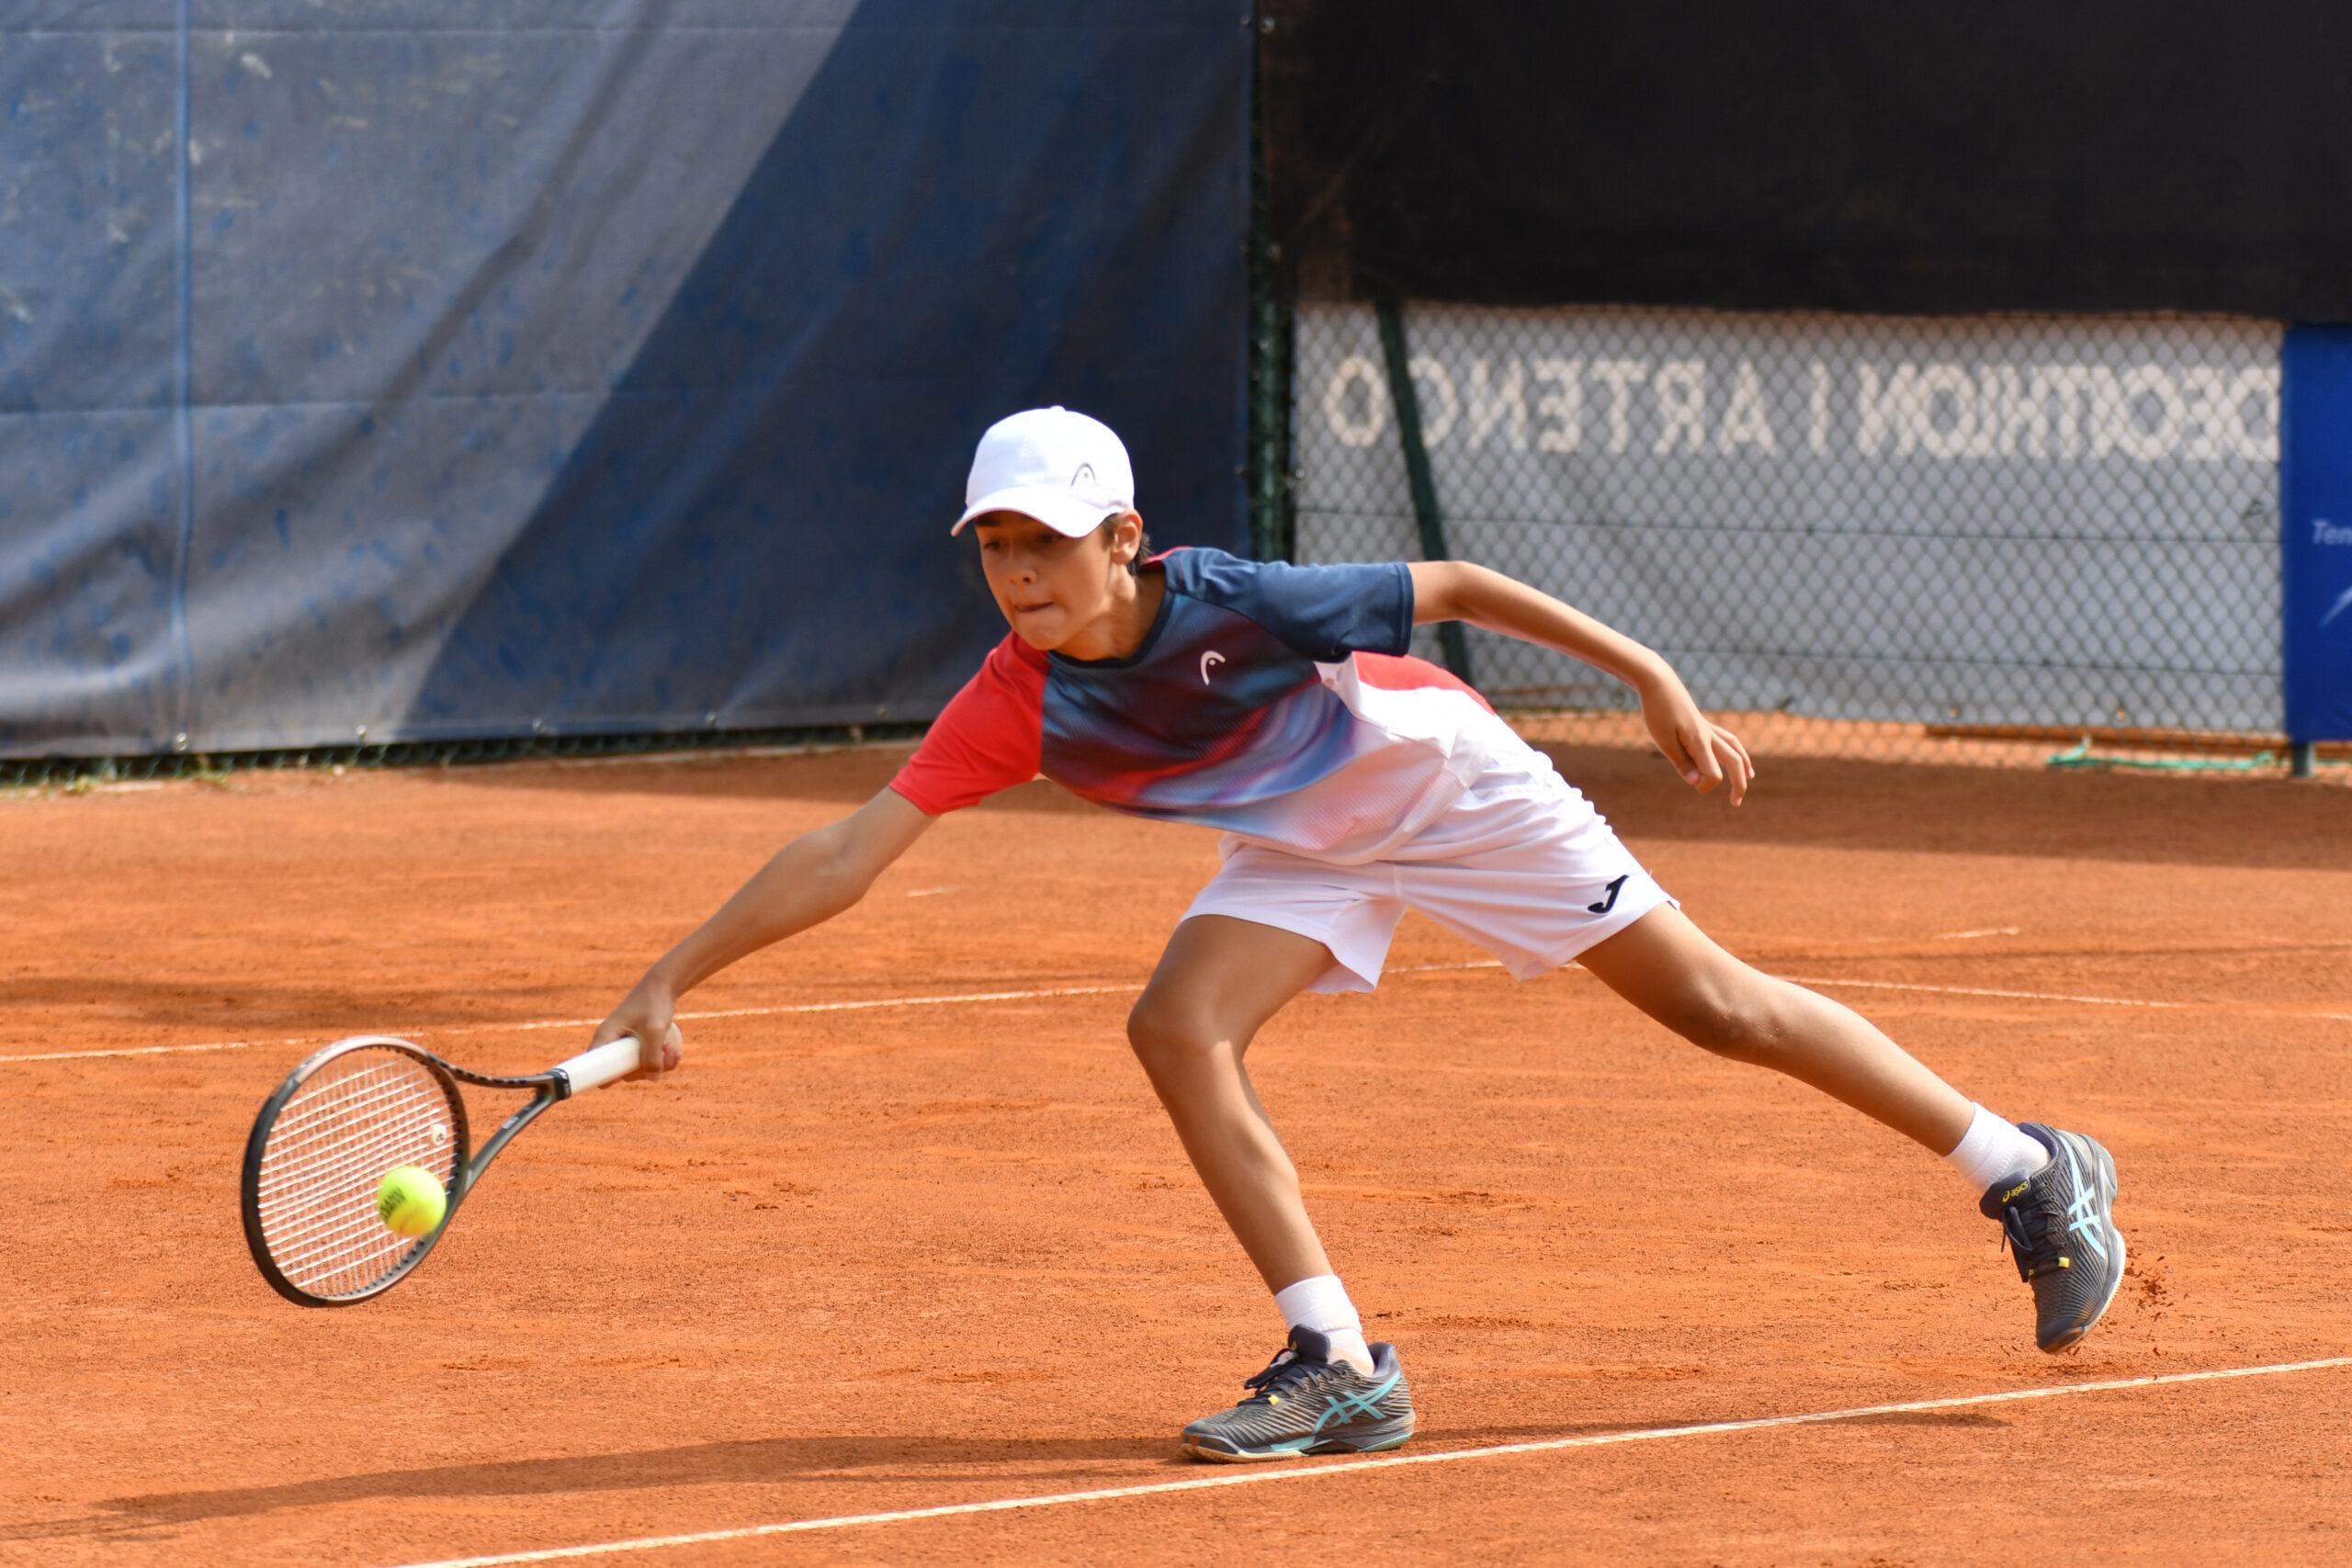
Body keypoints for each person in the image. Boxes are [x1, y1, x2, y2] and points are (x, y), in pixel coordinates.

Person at [593, 406, 2125, 1463]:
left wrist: (1650, 672)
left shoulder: (1240, 603)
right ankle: (1336, 1361)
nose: (1020, 576)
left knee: (1715, 1008)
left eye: (1046, 544)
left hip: (1449, 788)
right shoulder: (1020, 700)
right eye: (994, 548)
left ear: (1124, 538)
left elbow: (1450, 585)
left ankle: (2023, 1165)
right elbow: (852, 848)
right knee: (1176, 1026)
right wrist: (670, 978)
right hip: (1307, 840)